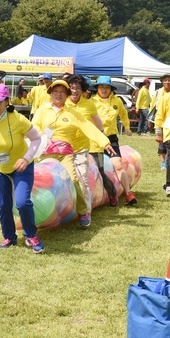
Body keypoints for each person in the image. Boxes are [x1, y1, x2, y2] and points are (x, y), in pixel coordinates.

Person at [0, 83, 45, 253]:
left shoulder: (19, 119)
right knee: (3, 204)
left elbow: (36, 139)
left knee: (22, 202)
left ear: (7, 101)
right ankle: (9, 237)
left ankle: (31, 236)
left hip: (21, 167)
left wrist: (26, 158)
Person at [33, 79, 115, 226]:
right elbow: (34, 125)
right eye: (56, 92)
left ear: (66, 95)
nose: (58, 95)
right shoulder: (42, 110)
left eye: (62, 92)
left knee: (73, 179)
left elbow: (88, 127)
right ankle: (43, 212)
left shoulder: (72, 114)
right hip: (45, 153)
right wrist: (42, 135)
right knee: (44, 181)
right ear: (50, 94)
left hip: (65, 154)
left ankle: (83, 212)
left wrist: (105, 142)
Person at [65, 75, 117, 225]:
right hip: (63, 150)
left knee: (84, 179)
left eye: (78, 88)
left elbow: (97, 124)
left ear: (83, 90)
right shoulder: (62, 104)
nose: (74, 91)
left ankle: (86, 212)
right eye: (72, 87)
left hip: (82, 148)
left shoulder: (89, 105)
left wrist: (103, 140)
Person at [93, 75, 137, 205]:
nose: (104, 90)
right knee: (95, 168)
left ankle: (128, 194)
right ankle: (102, 194)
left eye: (107, 87)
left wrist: (127, 127)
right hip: (95, 138)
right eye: (101, 87)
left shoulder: (117, 101)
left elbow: (123, 114)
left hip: (111, 138)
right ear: (97, 88)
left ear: (111, 88)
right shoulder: (91, 102)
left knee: (118, 164)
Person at [149, 73, 170, 170]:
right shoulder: (158, 92)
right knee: (161, 142)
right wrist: (150, 119)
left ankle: (168, 159)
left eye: (169, 80)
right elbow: (152, 106)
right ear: (162, 82)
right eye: (165, 80)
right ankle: (163, 162)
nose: (167, 82)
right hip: (159, 120)